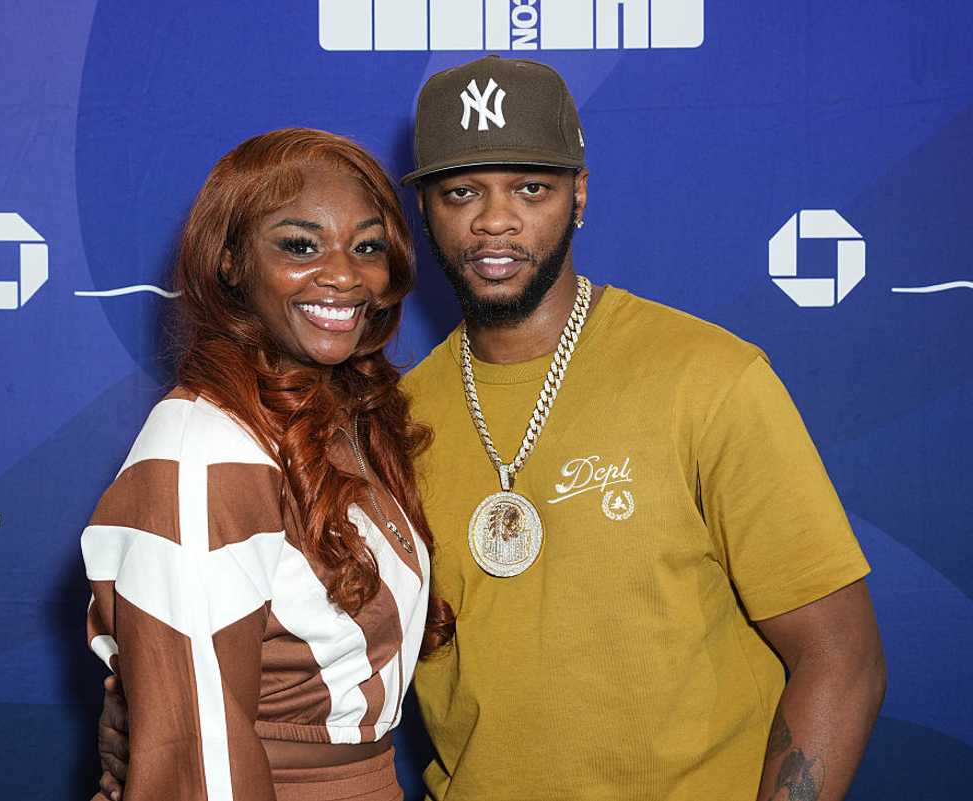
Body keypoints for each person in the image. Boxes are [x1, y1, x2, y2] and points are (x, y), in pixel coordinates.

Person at [97, 58, 886, 801]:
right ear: (424, 213)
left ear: (578, 194)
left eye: (531, 188)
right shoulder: (385, 419)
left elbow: (841, 659)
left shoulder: (712, 377)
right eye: (462, 193)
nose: (495, 222)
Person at [82, 127, 452, 801]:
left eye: (367, 245)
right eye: (300, 244)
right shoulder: (202, 450)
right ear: (229, 260)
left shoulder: (344, 414)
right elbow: (195, 762)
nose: (344, 274)